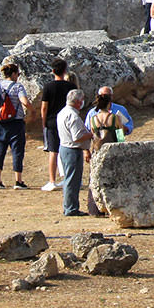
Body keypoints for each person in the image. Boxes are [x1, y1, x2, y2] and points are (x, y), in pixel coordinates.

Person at [0, 63, 33, 189]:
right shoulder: (18, 87)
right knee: (17, 151)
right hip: (16, 122)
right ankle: (18, 180)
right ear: (14, 74)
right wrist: (32, 110)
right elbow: (24, 102)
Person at [38, 58, 79, 192]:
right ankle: (68, 177)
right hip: (68, 120)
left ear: (52, 71)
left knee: (53, 151)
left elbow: (44, 107)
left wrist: (43, 123)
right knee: (69, 149)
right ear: (65, 70)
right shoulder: (71, 87)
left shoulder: (48, 87)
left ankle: (52, 180)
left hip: (52, 121)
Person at [56, 89, 92, 217]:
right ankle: (71, 208)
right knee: (72, 180)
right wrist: (90, 134)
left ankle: (70, 206)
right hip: (72, 149)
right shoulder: (73, 116)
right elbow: (77, 137)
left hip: (65, 148)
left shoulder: (63, 112)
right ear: (77, 102)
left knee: (70, 179)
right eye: (81, 100)